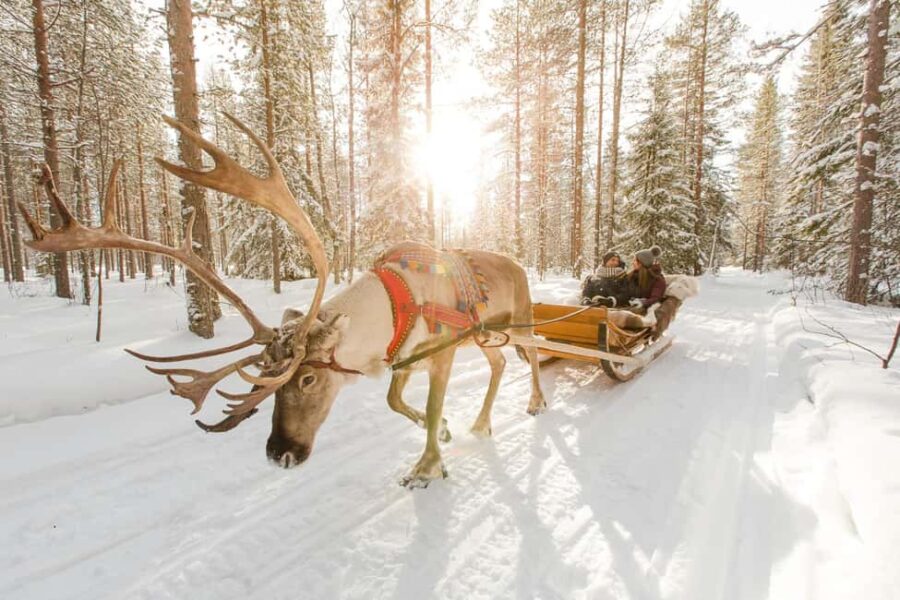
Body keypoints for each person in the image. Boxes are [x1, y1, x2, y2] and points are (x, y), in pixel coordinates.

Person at [625, 245, 666, 312]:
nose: (633, 263)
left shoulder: (657, 279)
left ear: (641, 263)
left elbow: (656, 298)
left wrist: (643, 302)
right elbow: (624, 292)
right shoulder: (631, 276)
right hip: (627, 307)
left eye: (635, 260)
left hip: (645, 311)